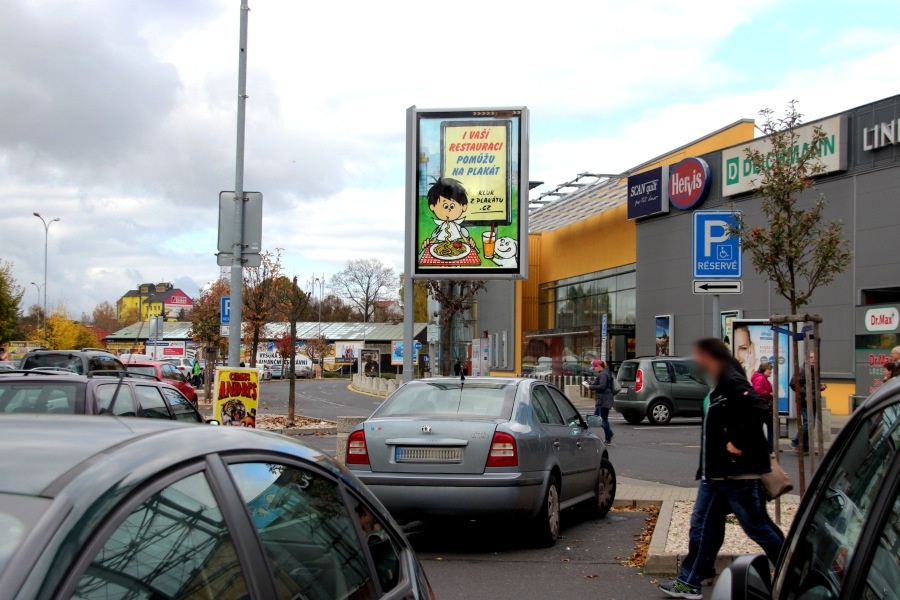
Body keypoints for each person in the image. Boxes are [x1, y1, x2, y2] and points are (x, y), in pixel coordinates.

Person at [659, 338, 784, 600]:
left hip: (734, 475)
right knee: (707, 527)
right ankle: (690, 580)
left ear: (710, 356)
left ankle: (794, 571)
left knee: (754, 526)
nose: (696, 361)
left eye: (699, 355)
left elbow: (757, 407)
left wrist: (738, 441)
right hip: (717, 474)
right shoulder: (718, 381)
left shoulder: (730, 378)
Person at [421, 178, 477, 249]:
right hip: (440, 248)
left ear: (464, 206)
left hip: (456, 248)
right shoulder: (440, 228)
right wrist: (427, 244)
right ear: (432, 207)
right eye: (445, 206)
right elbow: (433, 240)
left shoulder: (457, 227)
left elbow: (464, 238)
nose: (449, 209)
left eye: (452, 206)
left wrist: (470, 243)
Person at [790, 351, 827, 454]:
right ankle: (795, 441)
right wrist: (806, 392)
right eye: (811, 357)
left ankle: (805, 448)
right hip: (805, 401)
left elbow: (812, 386)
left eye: (814, 357)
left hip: (813, 400)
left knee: (811, 424)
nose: (813, 359)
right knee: (809, 424)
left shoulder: (814, 370)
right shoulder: (802, 370)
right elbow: (793, 384)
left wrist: (819, 388)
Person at [584, 359, 614, 444]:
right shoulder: (605, 373)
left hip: (603, 400)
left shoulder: (603, 374)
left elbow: (602, 386)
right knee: (595, 418)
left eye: (594, 367)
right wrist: (593, 383)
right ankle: (609, 433)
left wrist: (590, 387)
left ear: (598, 366)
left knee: (603, 419)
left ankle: (608, 437)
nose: (594, 369)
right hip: (603, 399)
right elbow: (603, 384)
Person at [751, 362, 775, 452]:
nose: (770, 371)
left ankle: (767, 446)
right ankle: (768, 447)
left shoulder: (761, 378)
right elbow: (758, 390)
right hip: (762, 406)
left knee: (761, 427)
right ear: (764, 370)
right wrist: (769, 394)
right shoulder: (761, 378)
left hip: (761, 406)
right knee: (769, 426)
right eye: (769, 370)